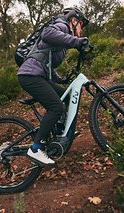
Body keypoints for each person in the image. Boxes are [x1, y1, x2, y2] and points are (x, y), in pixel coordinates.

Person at [17, 7, 90, 166]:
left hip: (38, 74)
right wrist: (78, 42)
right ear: (73, 20)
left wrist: (61, 79)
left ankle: (59, 133)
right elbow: (47, 34)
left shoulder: (63, 41)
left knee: (66, 95)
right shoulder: (61, 25)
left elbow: (45, 61)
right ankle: (35, 149)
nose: (81, 29)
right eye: (81, 25)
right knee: (56, 107)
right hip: (30, 76)